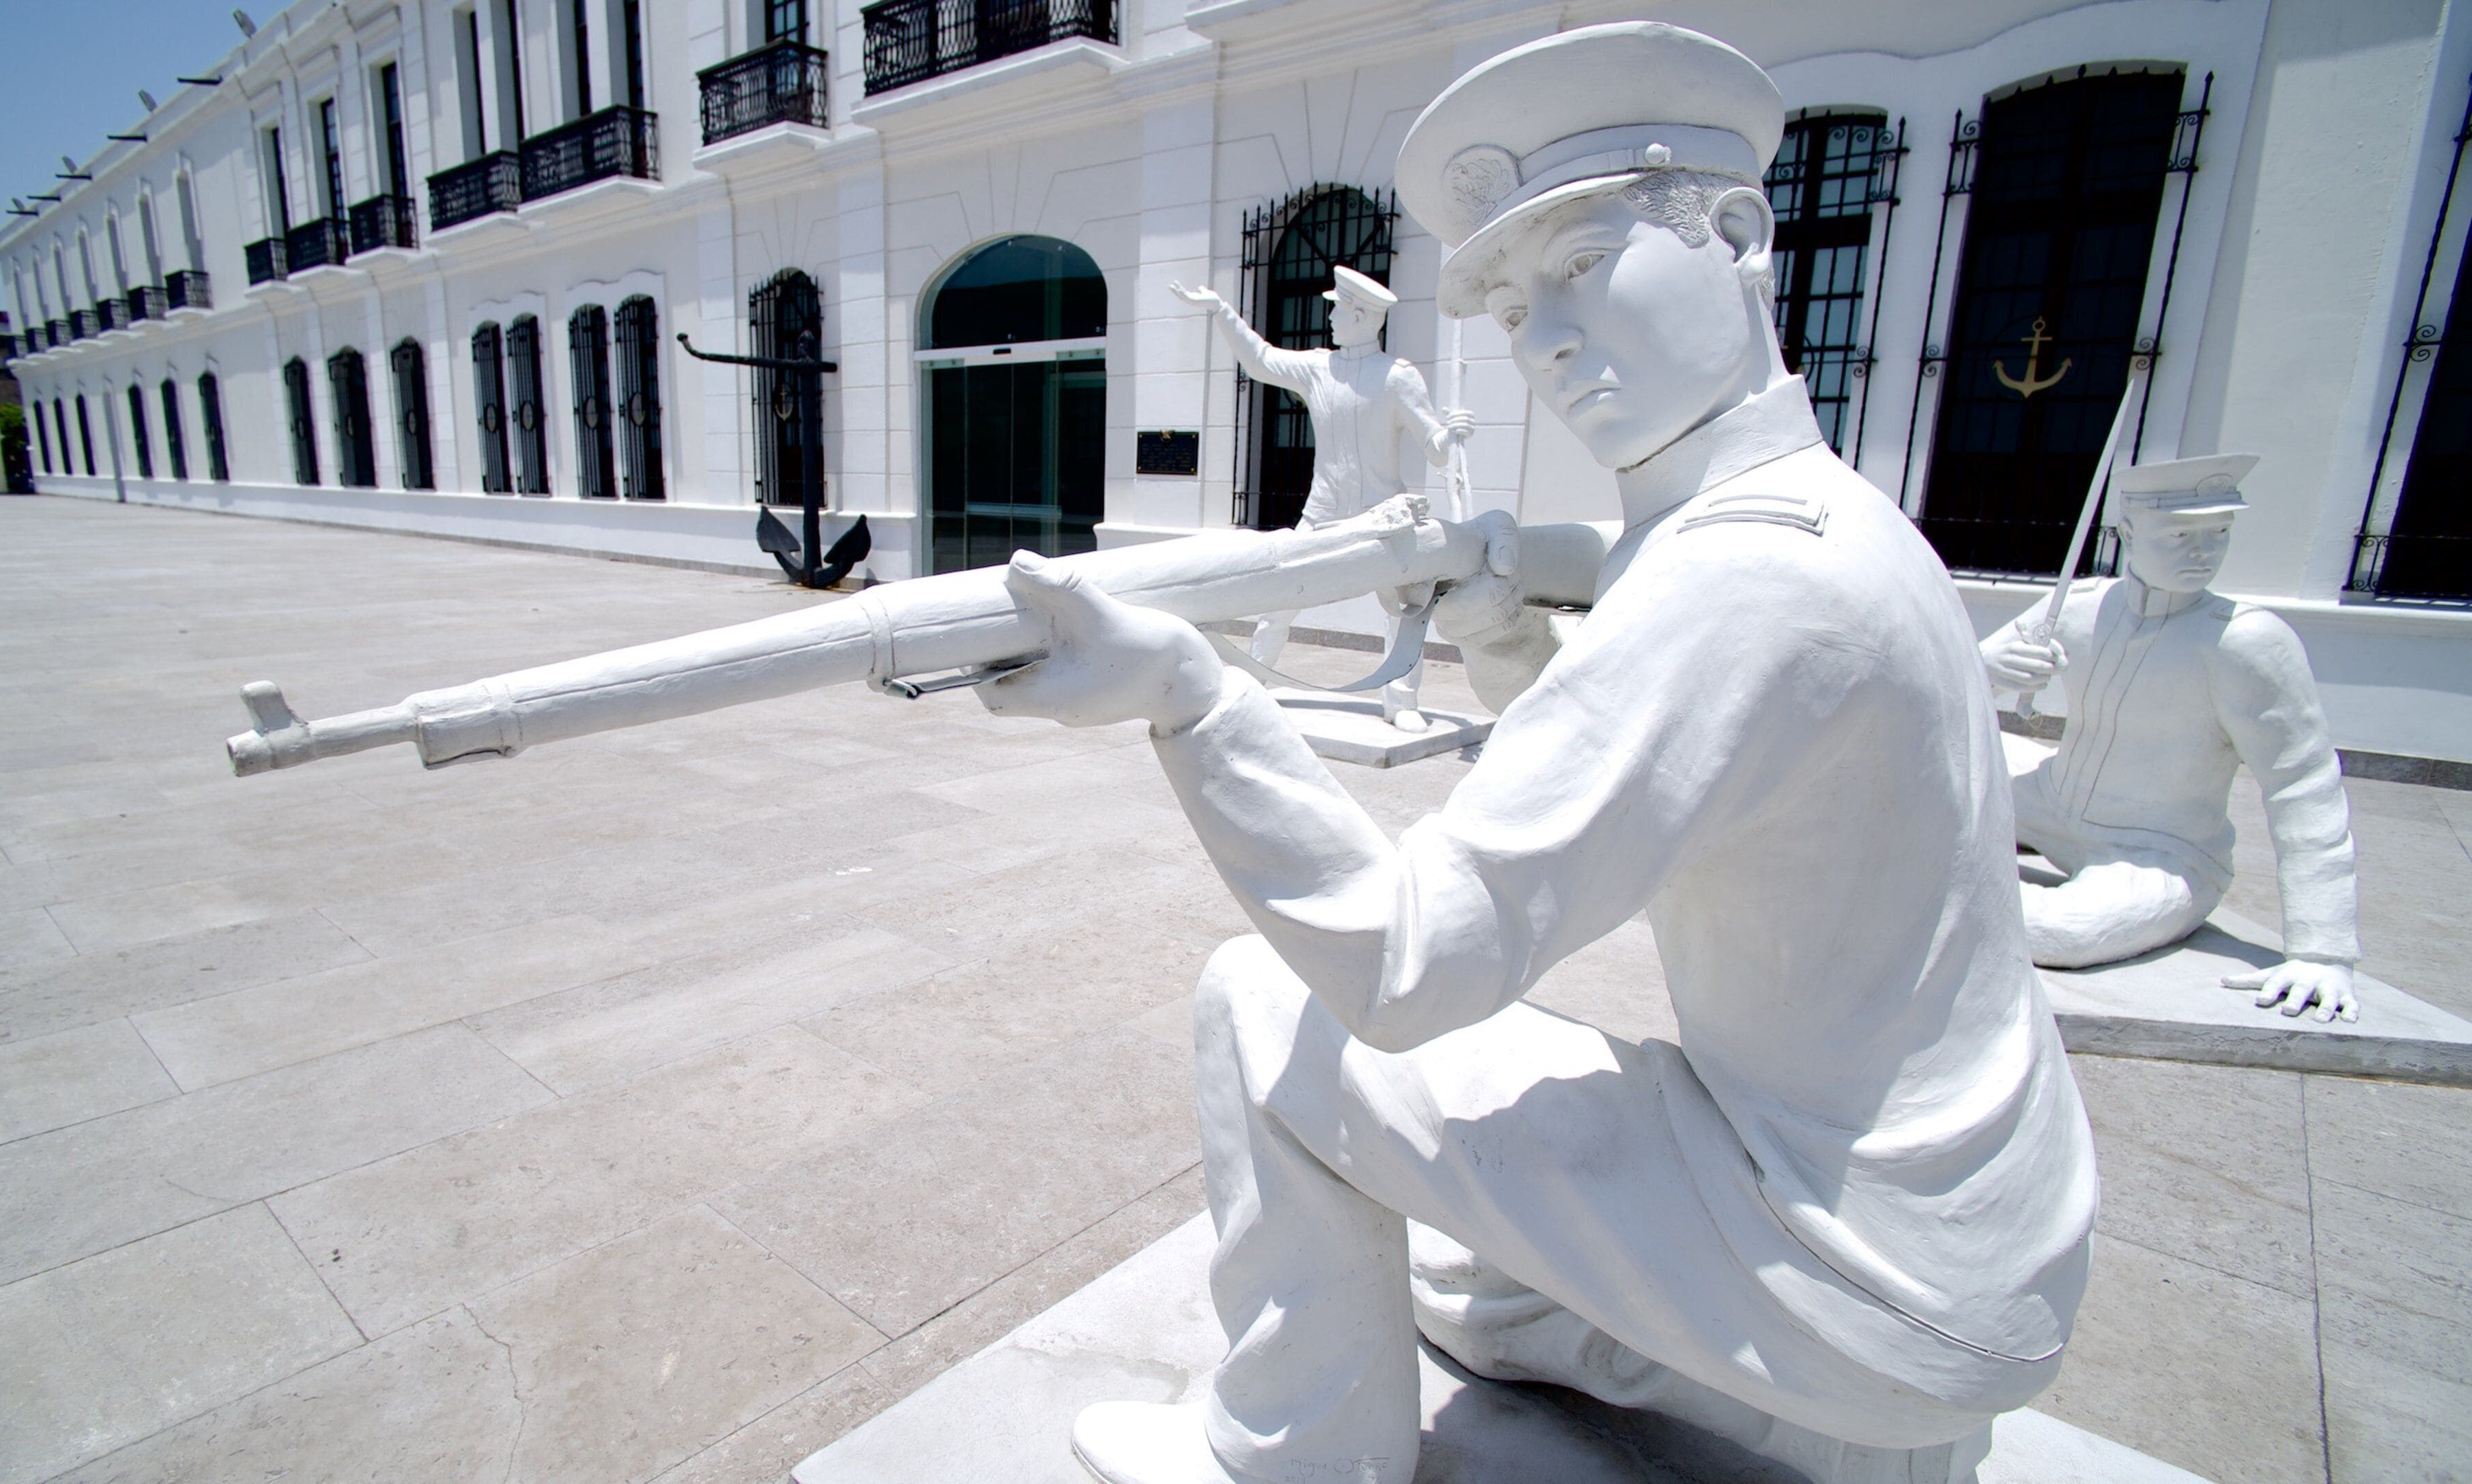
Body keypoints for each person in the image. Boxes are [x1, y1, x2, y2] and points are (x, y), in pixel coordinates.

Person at [978, 23, 2100, 1484]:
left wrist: (1192, 697)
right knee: (1459, 1280)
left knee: (1259, 1006)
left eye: (1581, 263)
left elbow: (1407, 965)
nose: (1548, 340)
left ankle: (1287, 1454)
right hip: (1972, 1247)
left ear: (1740, 237)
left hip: (1854, 1260)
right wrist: (1504, 629)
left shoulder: (1738, 577)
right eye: (1512, 306)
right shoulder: (1836, 517)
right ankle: (1800, 1421)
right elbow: (1668, 762)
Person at [1983, 454, 2362, 1020]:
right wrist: (1985, 665)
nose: (2203, 552)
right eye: (2181, 534)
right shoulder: (2079, 606)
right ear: (2129, 532)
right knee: (1915, 782)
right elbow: (1949, 687)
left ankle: (1925, 887)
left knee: (2059, 931)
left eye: (2219, 533)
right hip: (2048, 802)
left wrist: (2322, 951)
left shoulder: (2245, 642)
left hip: (2160, 852)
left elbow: (2303, 784)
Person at [1171, 265, 1473, 730]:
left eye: (1338, 310)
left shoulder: (1397, 376)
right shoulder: (1318, 368)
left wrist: (1451, 435)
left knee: (1404, 610)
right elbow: (1260, 361)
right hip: (1323, 512)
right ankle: (1253, 687)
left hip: (1384, 516)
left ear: (1362, 316)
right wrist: (1221, 311)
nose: (1329, 318)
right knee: (1279, 601)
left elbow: (1433, 446)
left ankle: (1402, 701)